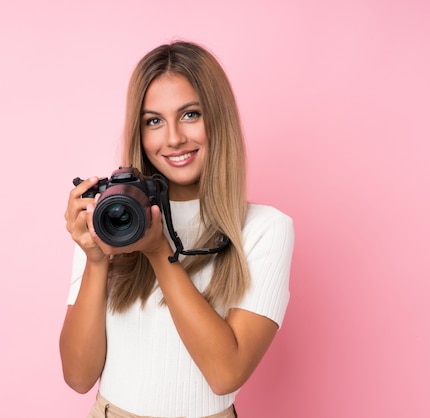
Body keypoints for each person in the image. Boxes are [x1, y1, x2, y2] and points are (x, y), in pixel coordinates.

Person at [61, 40, 295, 418]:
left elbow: (225, 374)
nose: (173, 138)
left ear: (218, 118)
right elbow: (78, 376)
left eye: (190, 115)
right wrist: (95, 260)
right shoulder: (112, 217)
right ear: (139, 133)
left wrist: (157, 251)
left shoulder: (265, 229)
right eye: (154, 121)